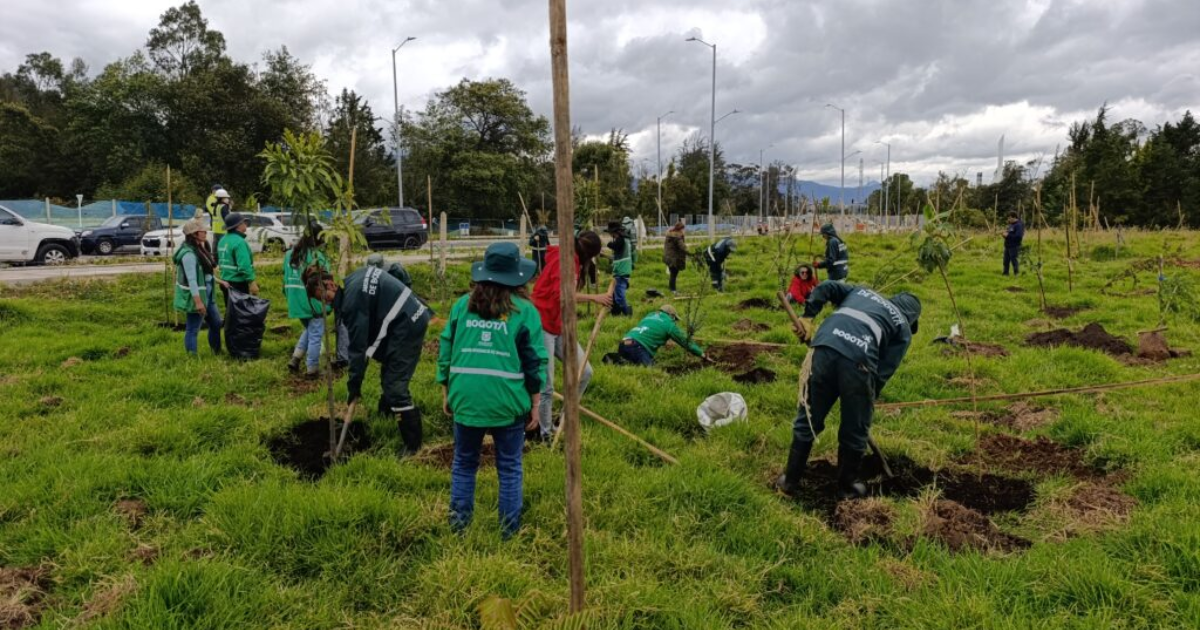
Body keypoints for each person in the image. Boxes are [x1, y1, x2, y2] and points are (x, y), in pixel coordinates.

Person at [437, 242, 547, 539]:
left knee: (463, 462)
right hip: (508, 401)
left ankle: (459, 528)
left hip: (467, 398)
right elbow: (534, 362)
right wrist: (536, 405)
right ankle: (509, 532)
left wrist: (447, 389)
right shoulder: (525, 311)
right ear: (517, 275)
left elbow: (445, 347)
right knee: (509, 466)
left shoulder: (462, 306)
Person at [774, 282, 921, 500]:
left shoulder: (861, 291)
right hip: (859, 362)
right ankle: (847, 487)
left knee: (809, 416)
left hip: (823, 347)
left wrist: (809, 315)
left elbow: (826, 287)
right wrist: (865, 402)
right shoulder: (903, 329)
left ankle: (789, 482)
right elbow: (881, 374)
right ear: (911, 317)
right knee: (855, 428)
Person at [305, 262, 431, 456]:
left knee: (395, 385)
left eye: (323, 297)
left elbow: (358, 348)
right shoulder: (352, 280)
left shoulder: (351, 302)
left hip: (408, 324)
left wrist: (354, 386)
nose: (326, 303)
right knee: (389, 368)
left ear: (330, 285)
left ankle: (413, 446)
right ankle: (386, 415)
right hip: (405, 317)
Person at [530, 230, 612, 440]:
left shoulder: (575, 261)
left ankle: (563, 420)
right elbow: (564, 295)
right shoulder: (564, 261)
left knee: (584, 373)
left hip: (559, 324)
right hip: (542, 323)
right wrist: (595, 298)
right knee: (546, 385)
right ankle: (544, 434)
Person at [283, 226, 329, 378]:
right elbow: (326, 282)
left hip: (295, 301)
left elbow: (285, 280)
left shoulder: (290, 254)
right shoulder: (318, 257)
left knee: (310, 329)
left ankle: (295, 358)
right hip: (313, 303)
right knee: (316, 335)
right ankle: (312, 370)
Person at [173, 218, 222, 355]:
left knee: (216, 323)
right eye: (202, 230)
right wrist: (198, 302)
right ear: (193, 233)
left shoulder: (201, 248)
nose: (205, 231)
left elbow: (204, 274)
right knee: (193, 329)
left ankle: (216, 352)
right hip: (200, 297)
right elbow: (192, 280)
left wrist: (218, 281)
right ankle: (192, 356)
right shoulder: (189, 254)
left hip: (209, 296)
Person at [611, 304, 705, 366]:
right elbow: (684, 341)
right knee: (649, 373)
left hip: (624, 343)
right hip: (638, 347)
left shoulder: (649, 316)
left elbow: (651, 333)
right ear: (671, 316)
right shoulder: (669, 324)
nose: (675, 322)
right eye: (675, 319)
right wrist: (701, 353)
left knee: (629, 366)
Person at [216, 212, 258, 310]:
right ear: (238, 226)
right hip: (238, 283)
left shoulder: (222, 240)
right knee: (241, 313)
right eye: (244, 222)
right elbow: (244, 266)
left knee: (230, 310)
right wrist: (252, 282)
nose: (245, 224)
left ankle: (230, 325)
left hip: (225, 282)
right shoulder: (239, 242)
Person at [604, 221, 633, 316]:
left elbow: (615, 246)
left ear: (614, 232)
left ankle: (627, 313)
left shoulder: (620, 240)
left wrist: (608, 244)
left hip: (621, 271)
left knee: (619, 296)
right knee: (615, 293)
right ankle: (616, 312)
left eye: (610, 233)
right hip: (624, 269)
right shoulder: (626, 239)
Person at [663, 220, 688, 293]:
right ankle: (673, 290)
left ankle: (671, 288)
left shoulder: (670, 234)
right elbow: (682, 247)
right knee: (674, 274)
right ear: (680, 229)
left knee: (672, 273)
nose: (684, 231)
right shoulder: (677, 237)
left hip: (668, 257)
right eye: (683, 229)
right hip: (674, 258)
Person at [209, 187, 231, 252]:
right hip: (223, 231)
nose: (227, 199)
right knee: (223, 248)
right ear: (221, 198)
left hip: (216, 230)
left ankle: (214, 259)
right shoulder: (224, 207)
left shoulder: (216, 206)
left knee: (215, 247)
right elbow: (227, 219)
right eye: (226, 197)